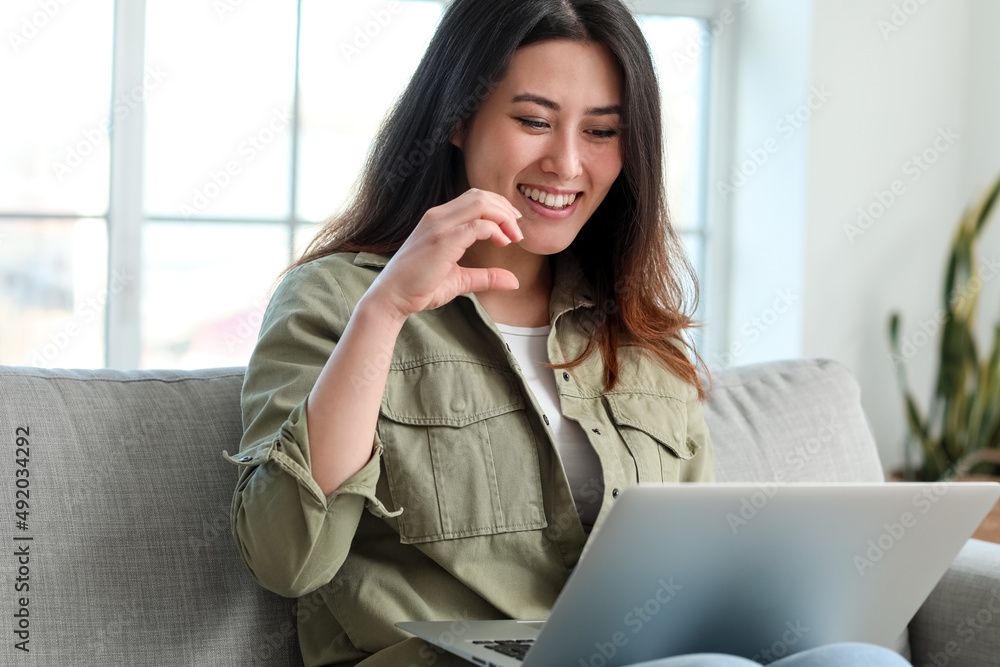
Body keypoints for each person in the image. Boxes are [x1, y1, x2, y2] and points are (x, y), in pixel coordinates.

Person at [229, 1, 911, 666]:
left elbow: (702, 567)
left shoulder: (638, 334)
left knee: (862, 657)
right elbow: (289, 557)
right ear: (458, 118)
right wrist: (384, 313)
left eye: (602, 132)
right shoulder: (341, 300)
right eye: (533, 120)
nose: (566, 163)